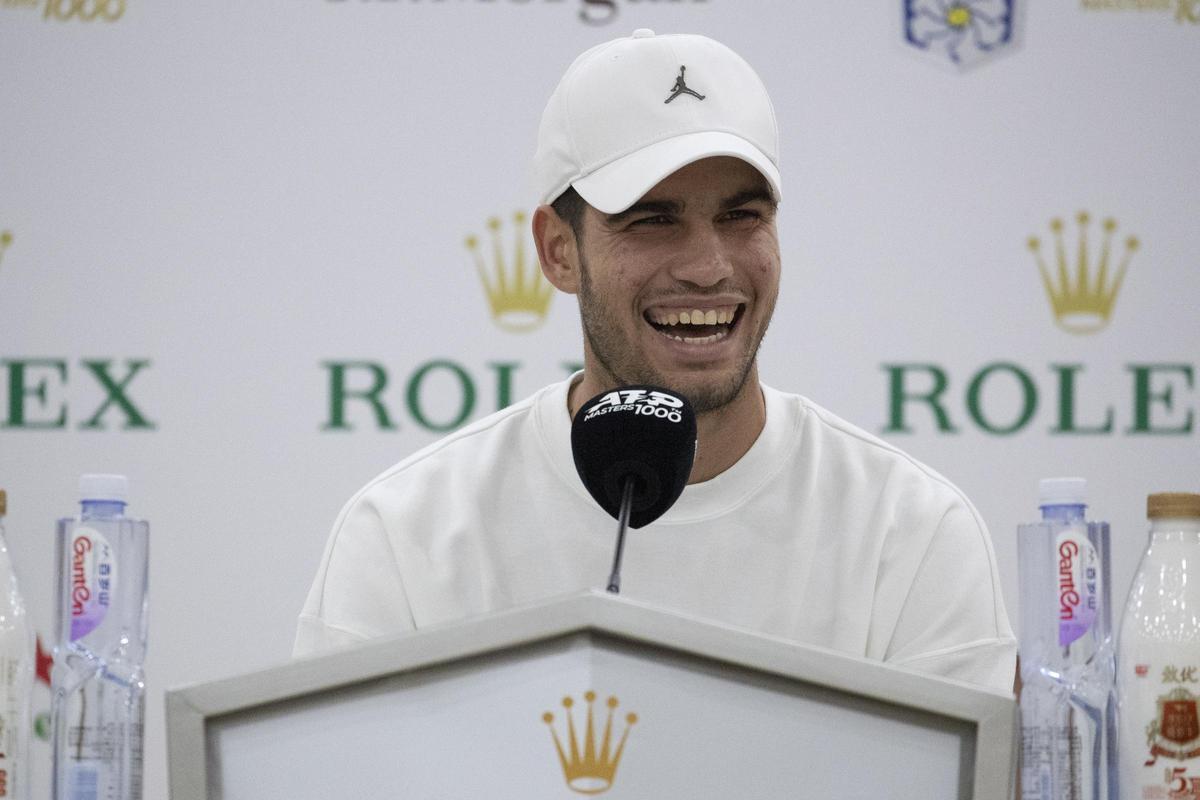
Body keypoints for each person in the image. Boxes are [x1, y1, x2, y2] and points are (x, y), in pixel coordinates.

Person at [294, 30, 1016, 692]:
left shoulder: (912, 532)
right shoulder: (405, 536)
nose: (708, 268)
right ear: (558, 249)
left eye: (742, 216)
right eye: (652, 220)